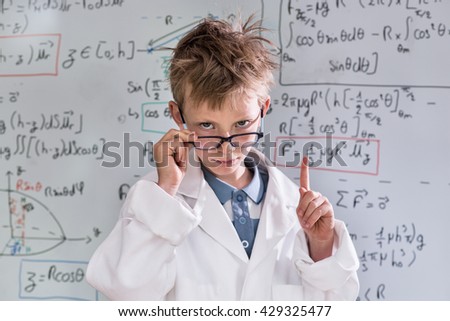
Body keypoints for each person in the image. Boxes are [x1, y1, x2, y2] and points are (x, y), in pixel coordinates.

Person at [86, 16, 359, 300]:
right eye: (207, 126)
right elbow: (125, 294)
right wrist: (164, 196)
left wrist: (321, 246)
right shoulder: (155, 202)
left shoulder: (296, 210)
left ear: (263, 109)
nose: (227, 149)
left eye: (241, 124)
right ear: (178, 116)